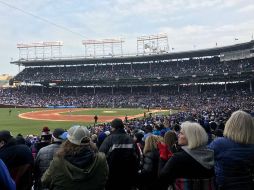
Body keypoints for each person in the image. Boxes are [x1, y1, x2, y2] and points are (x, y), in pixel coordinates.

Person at [41, 125, 108, 190]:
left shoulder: (58, 161)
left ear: (68, 141)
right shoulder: (101, 159)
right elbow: (104, 179)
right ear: (89, 140)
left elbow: (45, 181)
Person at [159, 121, 215, 190]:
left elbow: (161, 179)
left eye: (181, 133)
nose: (178, 135)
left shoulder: (178, 158)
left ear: (190, 137)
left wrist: (162, 157)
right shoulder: (210, 154)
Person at [208, 110, 254, 190]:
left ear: (230, 125)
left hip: (223, 186)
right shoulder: (252, 147)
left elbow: (204, 159)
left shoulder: (220, 143)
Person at [99, 118, 139, 190]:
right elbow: (137, 157)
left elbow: (101, 156)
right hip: (128, 175)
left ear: (113, 127)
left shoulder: (109, 139)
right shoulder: (130, 139)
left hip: (112, 175)